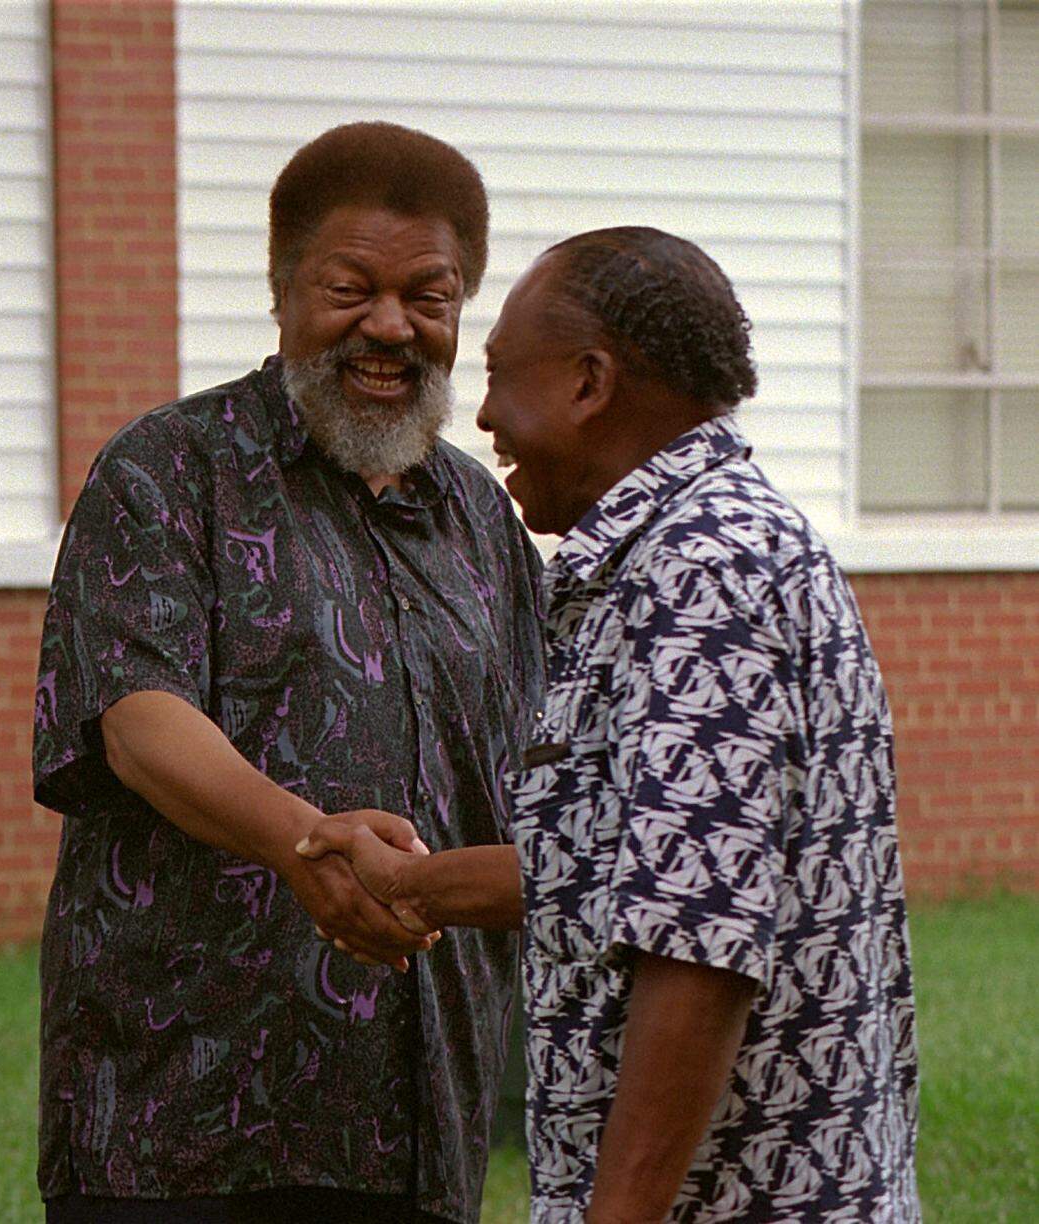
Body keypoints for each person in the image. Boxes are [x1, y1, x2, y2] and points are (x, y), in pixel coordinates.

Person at [300, 227, 920, 1221]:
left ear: (591, 383)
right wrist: (411, 886)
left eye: (503, 376)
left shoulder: (703, 574)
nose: (486, 414)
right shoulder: (692, 551)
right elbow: (633, 869)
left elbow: (696, 950)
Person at [31, 122, 544, 1224]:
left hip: (413, 1116)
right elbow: (135, 716)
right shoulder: (168, 471)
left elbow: (528, 763)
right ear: (282, 289)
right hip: (179, 1114)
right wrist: (307, 844)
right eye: (350, 288)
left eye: (431, 297)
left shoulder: (484, 518)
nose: (390, 328)